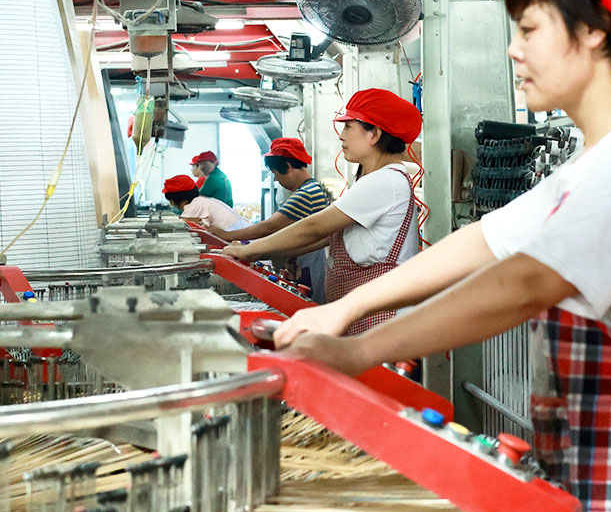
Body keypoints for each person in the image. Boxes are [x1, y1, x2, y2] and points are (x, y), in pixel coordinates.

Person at [273, 0, 611, 512]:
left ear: (594, 30)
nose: (513, 51)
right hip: (593, 465)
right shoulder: (597, 162)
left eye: (529, 30)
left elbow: (525, 280)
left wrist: (360, 349)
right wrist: (341, 311)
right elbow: (481, 241)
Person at [223, 88, 421, 334]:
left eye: (348, 127)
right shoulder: (379, 180)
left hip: (382, 317)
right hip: (368, 313)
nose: (341, 136)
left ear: (374, 134)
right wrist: (260, 252)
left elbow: (314, 227)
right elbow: (325, 236)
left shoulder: (384, 181)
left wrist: (249, 250)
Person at [211, 137, 330, 302]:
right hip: (306, 264)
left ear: (288, 166)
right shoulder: (312, 188)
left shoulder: (306, 193)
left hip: (311, 267)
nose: (276, 179)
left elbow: (268, 227)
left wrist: (227, 235)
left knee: (311, 306)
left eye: (275, 173)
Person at [162, 175, 248, 231]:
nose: (172, 205)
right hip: (241, 230)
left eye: (172, 201)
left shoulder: (195, 206)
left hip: (240, 235)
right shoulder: (200, 201)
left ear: (182, 199)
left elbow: (182, 226)